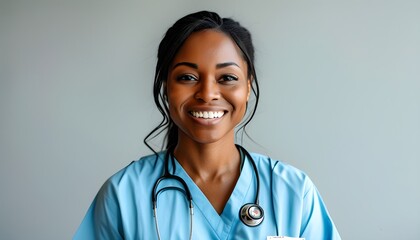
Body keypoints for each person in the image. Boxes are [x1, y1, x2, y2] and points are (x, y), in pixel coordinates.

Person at [74, 11, 341, 240]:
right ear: (166, 87)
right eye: (188, 77)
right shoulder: (124, 195)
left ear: (247, 88)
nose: (207, 93)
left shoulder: (293, 191)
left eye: (226, 77)